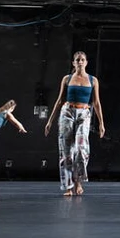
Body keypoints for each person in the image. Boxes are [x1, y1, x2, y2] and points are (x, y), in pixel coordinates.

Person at [44, 50, 106, 196]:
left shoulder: (93, 80)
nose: (80, 62)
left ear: (86, 62)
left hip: (84, 113)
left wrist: (101, 123)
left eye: (82, 60)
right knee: (66, 151)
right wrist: (50, 121)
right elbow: (59, 100)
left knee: (80, 149)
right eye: (77, 60)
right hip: (67, 112)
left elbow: (96, 103)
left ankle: (78, 182)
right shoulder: (67, 79)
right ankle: (68, 186)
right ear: (73, 62)